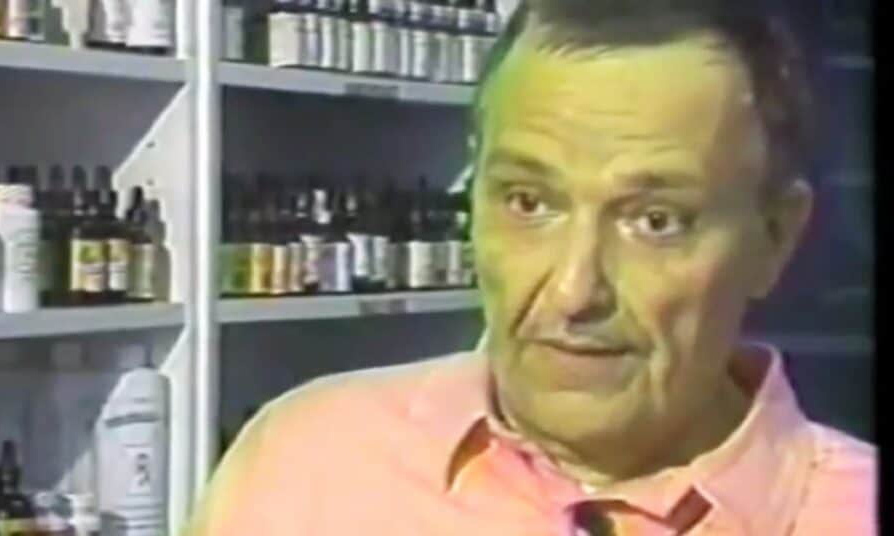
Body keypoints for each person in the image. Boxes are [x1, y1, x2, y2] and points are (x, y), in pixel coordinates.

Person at [189, 1, 876, 534]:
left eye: (656, 220)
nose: (574, 290)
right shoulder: (304, 462)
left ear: (776, 237)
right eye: (528, 202)